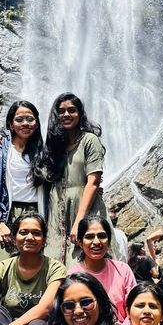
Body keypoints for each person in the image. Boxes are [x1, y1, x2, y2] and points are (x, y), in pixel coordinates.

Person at [42, 92, 112, 266]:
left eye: (72, 110)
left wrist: (79, 220)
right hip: (57, 210)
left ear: (80, 113)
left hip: (83, 206)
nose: (66, 115)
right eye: (62, 111)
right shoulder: (54, 145)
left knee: (84, 261)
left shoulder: (89, 140)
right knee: (55, 263)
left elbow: (94, 182)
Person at [0, 100, 44, 268]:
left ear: (36, 123)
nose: (25, 123)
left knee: (34, 266)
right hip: (4, 214)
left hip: (37, 213)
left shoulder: (44, 151)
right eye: (19, 119)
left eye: (30, 119)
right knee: (4, 265)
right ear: (10, 125)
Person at [68, 214, 136, 323]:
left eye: (101, 236)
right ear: (80, 242)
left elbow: (134, 307)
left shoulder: (123, 271)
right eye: (89, 236)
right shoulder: (72, 276)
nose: (96, 242)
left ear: (109, 242)